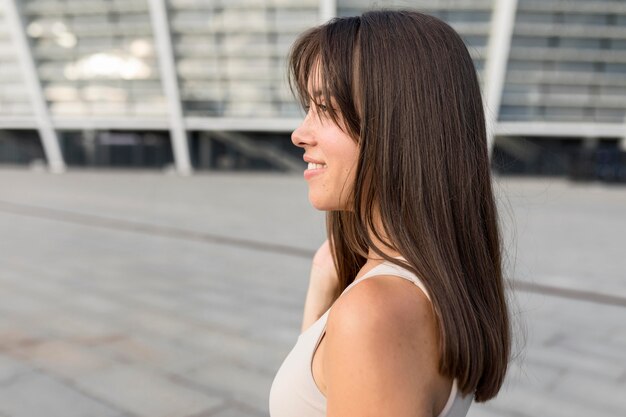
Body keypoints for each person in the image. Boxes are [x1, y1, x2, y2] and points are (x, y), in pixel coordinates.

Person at [269, 9, 511, 417]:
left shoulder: (376, 313)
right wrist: (323, 286)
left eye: (325, 108)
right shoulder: (422, 282)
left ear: (395, 128)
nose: (300, 133)